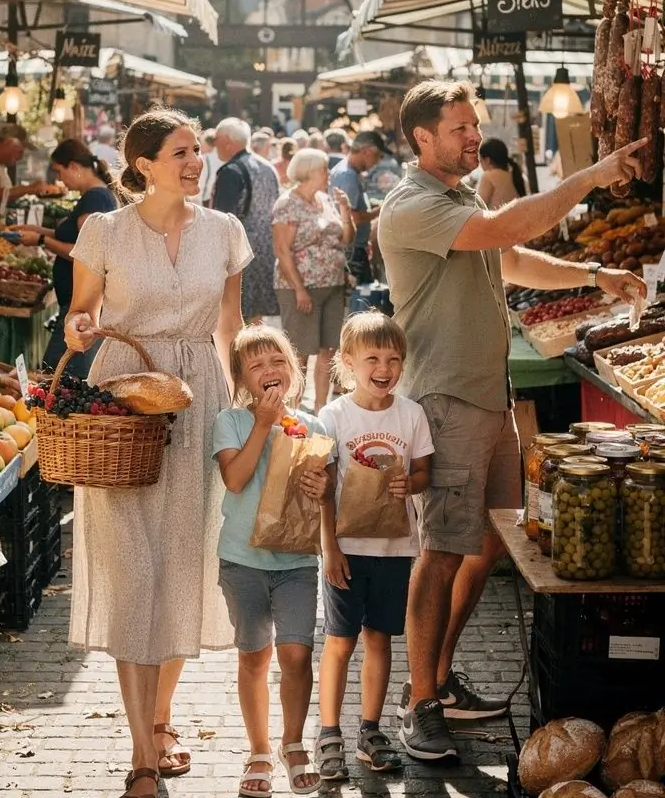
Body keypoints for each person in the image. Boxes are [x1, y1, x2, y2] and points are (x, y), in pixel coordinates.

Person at [379, 80, 647, 763]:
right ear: (422, 138)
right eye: (462, 128)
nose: (474, 136)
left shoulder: (456, 194)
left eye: (475, 126)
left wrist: (594, 274)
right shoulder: (411, 205)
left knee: (492, 543)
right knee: (439, 554)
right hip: (445, 401)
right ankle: (418, 706)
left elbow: (513, 259)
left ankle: (439, 678)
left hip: (489, 399)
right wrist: (591, 174)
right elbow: (513, 229)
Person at [64, 108, 252, 798]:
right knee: (133, 573)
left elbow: (230, 324)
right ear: (142, 163)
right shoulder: (104, 230)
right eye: (180, 152)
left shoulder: (224, 232)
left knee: (181, 566)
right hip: (124, 402)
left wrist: (246, 400)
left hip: (199, 398)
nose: (195, 161)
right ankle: (142, 759)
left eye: (198, 150)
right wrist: (80, 329)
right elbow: (80, 319)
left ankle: (162, 718)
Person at [213, 324, 332, 798]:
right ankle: (259, 750)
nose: (269, 371)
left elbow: (326, 492)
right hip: (242, 560)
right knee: (254, 656)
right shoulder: (231, 421)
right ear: (243, 379)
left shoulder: (313, 425)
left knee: (298, 652)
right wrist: (263, 424)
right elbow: (236, 480)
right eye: (257, 365)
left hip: (297, 561)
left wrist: (325, 491)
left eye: (277, 361)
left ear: (293, 369)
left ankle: (293, 743)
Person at [316, 312, 433, 780]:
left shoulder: (411, 414)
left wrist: (413, 482)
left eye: (393, 359)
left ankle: (370, 731)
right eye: (372, 358)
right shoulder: (334, 416)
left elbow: (426, 471)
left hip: (395, 550)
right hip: (346, 548)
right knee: (340, 642)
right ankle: (328, 733)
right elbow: (324, 487)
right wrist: (330, 549)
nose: (384, 368)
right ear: (347, 362)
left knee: (380, 638)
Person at [15, 138, 119, 376]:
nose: (60, 179)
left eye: (60, 171)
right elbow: (75, 237)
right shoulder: (94, 196)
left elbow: (85, 255)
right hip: (74, 301)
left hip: (79, 303)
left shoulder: (95, 198)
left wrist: (42, 241)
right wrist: (40, 231)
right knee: (61, 371)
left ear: (74, 167)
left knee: (57, 373)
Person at [271, 148, 354, 413]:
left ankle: (321, 409)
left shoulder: (326, 199)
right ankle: (293, 410)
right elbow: (282, 250)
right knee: (300, 354)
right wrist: (299, 290)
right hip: (300, 288)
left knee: (328, 350)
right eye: (324, 169)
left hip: (333, 285)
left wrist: (345, 210)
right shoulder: (288, 203)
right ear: (308, 172)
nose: (329, 174)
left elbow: (345, 239)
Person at [212, 118, 279, 322]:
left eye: (216, 141)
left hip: (240, 252)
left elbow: (222, 219)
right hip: (267, 249)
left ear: (227, 142)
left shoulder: (231, 171)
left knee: (235, 316)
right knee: (256, 318)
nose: (214, 146)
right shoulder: (268, 167)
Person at [0, 125, 60, 216]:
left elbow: (4, 196)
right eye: (20, 152)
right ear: (7, 142)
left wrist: (25, 191)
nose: (21, 157)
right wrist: (28, 188)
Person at [329, 130, 386, 285]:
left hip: (354, 250)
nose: (377, 162)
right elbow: (353, 218)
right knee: (363, 301)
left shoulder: (348, 172)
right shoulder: (348, 175)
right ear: (366, 151)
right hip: (352, 253)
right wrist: (381, 210)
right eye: (377, 156)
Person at [477, 137, 526, 208]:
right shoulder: (512, 174)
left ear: (487, 160)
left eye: (480, 160)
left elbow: (478, 206)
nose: (480, 165)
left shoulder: (488, 176)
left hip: (497, 218)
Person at [199, 128, 221, 205]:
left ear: (207, 143)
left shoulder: (205, 159)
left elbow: (200, 185)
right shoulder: (225, 157)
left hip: (206, 201)